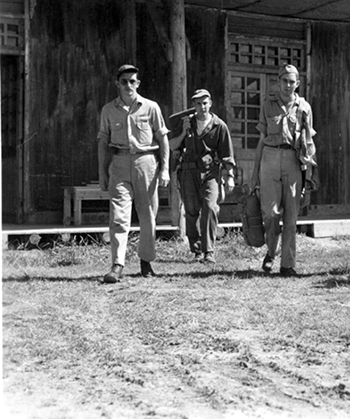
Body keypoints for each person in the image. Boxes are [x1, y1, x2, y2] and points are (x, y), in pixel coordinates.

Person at [98, 64, 170, 283]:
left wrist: (165, 168)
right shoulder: (108, 110)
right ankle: (117, 265)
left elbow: (162, 139)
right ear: (117, 84)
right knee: (119, 216)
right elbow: (102, 141)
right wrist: (102, 172)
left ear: (138, 84)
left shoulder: (151, 107)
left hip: (146, 162)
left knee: (148, 214)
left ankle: (146, 262)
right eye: (124, 81)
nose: (128, 85)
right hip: (119, 163)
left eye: (132, 81)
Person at [251, 64, 316, 277]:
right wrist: (254, 174)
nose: (288, 85)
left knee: (291, 216)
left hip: (294, 161)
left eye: (292, 81)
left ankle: (287, 264)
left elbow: (309, 144)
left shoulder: (304, 107)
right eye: (284, 81)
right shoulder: (267, 105)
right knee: (270, 213)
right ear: (278, 83)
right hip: (270, 158)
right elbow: (261, 141)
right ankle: (271, 250)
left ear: (297, 84)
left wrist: (309, 177)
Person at [169, 89, 236, 263]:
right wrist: (183, 132)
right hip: (188, 172)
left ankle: (209, 251)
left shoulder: (219, 126)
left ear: (210, 103)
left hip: (210, 172)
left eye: (205, 103)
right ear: (194, 105)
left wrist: (229, 176)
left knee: (210, 207)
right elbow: (172, 146)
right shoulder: (186, 123)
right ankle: (197, 249)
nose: (202, 106)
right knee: (191, 210)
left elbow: (227, 154)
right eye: (198, 103)